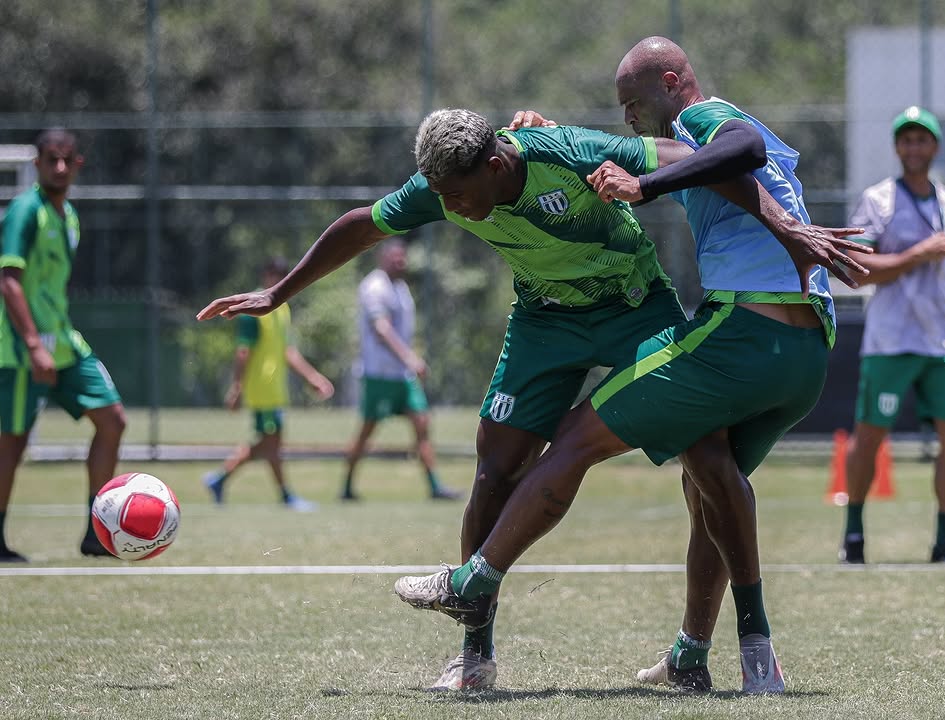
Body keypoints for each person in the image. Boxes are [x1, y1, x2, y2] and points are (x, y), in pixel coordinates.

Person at [198, 106, 863, 692]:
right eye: (444, 198)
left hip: (635, 307)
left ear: (495, 164)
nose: (453, 210)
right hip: (545, 322)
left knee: (709, 458)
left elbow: (702, 160)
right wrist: (280, 292)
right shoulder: (442, 187)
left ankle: (748, 645)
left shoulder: (568, 152)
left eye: (461, 196)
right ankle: (474, 655)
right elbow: (361, 226)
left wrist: (785, 227)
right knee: (494, 470)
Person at [392, 37, 871, 694]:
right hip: (809, 347)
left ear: (672, 84)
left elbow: (739, 152)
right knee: (710, 480)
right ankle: (717, 654)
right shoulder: (720, 134)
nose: (629, 120)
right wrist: (788, 228)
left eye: (633, 105)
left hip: (748, 332)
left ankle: (473, 581)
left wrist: (642, 184)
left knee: (575, 438)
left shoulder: (705, 116)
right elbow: (741, 172)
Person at [839, 106, 945, 565]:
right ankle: (853, 536)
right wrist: (917, 254)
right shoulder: (878, 201)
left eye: (922, 139)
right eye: (906, 139)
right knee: (870, 436)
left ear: (935, 147)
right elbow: (858, 269)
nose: (914, 147)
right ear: (897, 148)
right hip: (891, 339)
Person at [0, 128, 127, 561]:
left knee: (112, 419)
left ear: (77, 164)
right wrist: (33, 344)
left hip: (66, 345)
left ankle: (97, 531)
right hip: (20, 349)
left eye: (66, 159)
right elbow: (8, 281)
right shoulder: (24, 211)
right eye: (50, 159)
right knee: (11, 443)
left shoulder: (68, 215)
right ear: (36, 165)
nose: (59, 167)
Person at [202, 258, 335, 511]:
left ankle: (221, 479)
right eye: (273, 274)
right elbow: (243, 351)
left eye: (282, 275)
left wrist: (312, 378)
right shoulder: (253, 308)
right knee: (271, 443)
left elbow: (287, 351)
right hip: (261, 388)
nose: (277, 279)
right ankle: (276, 493)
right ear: (265, 275)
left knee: (271, 444)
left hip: (275, 388)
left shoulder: (282, 308)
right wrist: (237, 387)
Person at [341, 237, 459, 501]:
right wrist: (410, 358)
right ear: (382, 258)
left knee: (422, 422)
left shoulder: (401, 288)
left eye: (403, 258)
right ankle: (346, 486)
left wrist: (409, 360)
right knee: (367, 431)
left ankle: (435, 486)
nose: (400, 262)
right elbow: (381, 329)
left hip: (402, 377)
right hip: (380, 374)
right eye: (395, 257)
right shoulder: (374, 286)